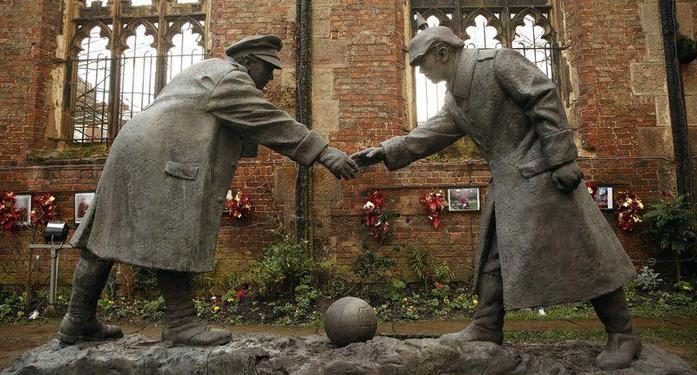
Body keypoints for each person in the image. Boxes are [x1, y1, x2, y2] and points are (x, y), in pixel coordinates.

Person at [352, 26, 641, 370]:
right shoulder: (455, 99)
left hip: (545, 175)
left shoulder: (498, 62)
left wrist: (562, 158)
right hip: (508, 183)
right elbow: (431, 133)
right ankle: (487, 324)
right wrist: (385, 151)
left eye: (422, 63)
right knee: (495, 255)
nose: (422, 72)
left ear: (442, 53)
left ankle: (622, 333)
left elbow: (543, 96)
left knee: (584, 251)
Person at [59, 34, 358, 347]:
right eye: (267, 69)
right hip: (161, 154)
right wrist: (325, 152)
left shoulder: (208, 70)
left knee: (103, 236)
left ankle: (77, 319)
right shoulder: (230, 79)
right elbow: (270, 122)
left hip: (132, 148)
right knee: (172, 233)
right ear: (248, 61)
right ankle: (180, 322)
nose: (270, 78)